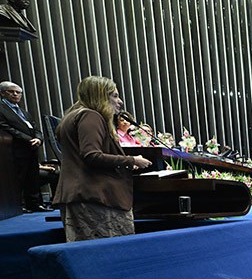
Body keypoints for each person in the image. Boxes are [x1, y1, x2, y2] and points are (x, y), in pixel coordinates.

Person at [52, 76, 152, 241]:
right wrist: (132, 160)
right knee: (111, 254)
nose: (119, 101)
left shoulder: (72, 116)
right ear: (99, 96)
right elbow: (91, 155)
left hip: (80, 194)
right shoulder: (90, 116)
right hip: (95, 196)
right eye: (114, 95)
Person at [0, 81, 47, 211]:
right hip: (14, 150)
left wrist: (38, 138)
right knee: (18, 179)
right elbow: (5, 127)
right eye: (11, 91)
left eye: (18, 92)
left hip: (31, 148)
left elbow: (35, 127)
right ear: (2, 93)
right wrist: (28, 139)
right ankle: (19, 205)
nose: (15, 94)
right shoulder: (1, 109)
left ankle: (35, 204)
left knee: (33, 177)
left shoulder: (23, 112)